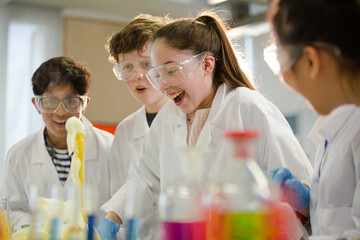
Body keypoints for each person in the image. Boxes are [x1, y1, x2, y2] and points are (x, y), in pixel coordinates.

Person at [99, 10, 313, 239]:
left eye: (171, 71)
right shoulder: (168, 116)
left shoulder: (247, 106)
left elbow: (299, 191)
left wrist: (301, 198)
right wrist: (112, 217)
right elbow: (145, 180)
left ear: (207, 65)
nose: (164, 86)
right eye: (158, 75)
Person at [265, 0, 360, 237]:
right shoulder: (339, 121)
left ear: (311, 60)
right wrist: (308, 206)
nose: (286, 80)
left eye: (283, 64)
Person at [0, 56, 114, 231]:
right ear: (36, 104)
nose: (60, 112)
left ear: (85, 103)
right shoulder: (18, 154)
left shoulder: (111, 148)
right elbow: (15, 209)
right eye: (50, 101)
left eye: (70, 101)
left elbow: (121, 207)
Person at [96, 14, 170, 239]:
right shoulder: (125, 130)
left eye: (146, 64)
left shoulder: (188, 118)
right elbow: (120, 198)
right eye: (127, 67)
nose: (137, 76)